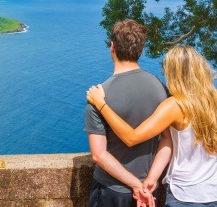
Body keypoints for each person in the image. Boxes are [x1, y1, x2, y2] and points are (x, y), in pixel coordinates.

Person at [87, 45, 217, 206]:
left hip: (185, 196)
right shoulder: (214, 100)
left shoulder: (176, 106)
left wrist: (101, 105)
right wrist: (152, 178)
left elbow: (131, 137)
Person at [84, 19, 169, 206]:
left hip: (110, 190)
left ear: (112, 47)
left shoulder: (99, 95)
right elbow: (167, 139)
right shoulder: (160, 88)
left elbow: (98, 155)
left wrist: (135, 185)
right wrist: (149, 181)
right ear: (141, 50)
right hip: (150, 190)